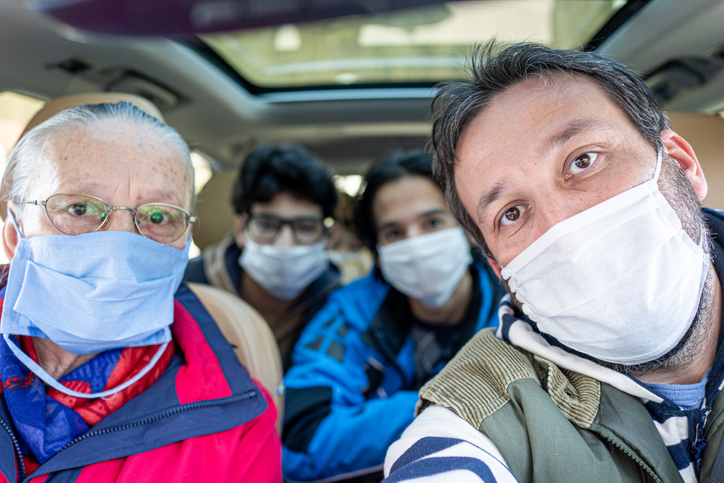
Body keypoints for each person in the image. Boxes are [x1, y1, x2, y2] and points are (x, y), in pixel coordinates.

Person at [383, 41, 724, 483]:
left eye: (583, 160)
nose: (563, 229)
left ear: (681, 164)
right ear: (501, 274)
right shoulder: (478, 416)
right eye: (511, 213)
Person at [0, 101, 281, 482]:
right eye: (80, 207)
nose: (119, 246)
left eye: (158, 216)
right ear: (15, 235)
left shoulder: (240, 418)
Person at [283, 150, 506, 482]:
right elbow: (302, 439)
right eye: (394, 233)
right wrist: (450, 404)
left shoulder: (517, 310)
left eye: (432, 222)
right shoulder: (346, 315)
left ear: (467, 227)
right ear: (378, 252)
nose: (416, 244)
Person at [185, 144, 341, 370]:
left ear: (329, 237)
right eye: (267, 225)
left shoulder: (342, 308)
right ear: (240, 229)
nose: (285, 244)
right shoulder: (187, 290)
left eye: (305, 228)